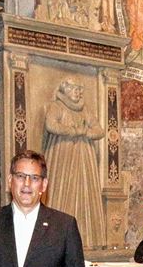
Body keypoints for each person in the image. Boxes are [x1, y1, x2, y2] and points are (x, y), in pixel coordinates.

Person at [42, 78, 105, 248]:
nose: (78, 92)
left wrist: (86, 132)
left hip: (84, 156)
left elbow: (99, 130)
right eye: (75, 88)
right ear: (66, 89)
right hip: (63, 154)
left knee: (84, 190)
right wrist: (72, 131)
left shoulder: (84, 110)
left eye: (80, 89)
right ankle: (54, 238)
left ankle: (87, 236)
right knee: (61, 188)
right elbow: (51, 125)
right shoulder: (57, 106)